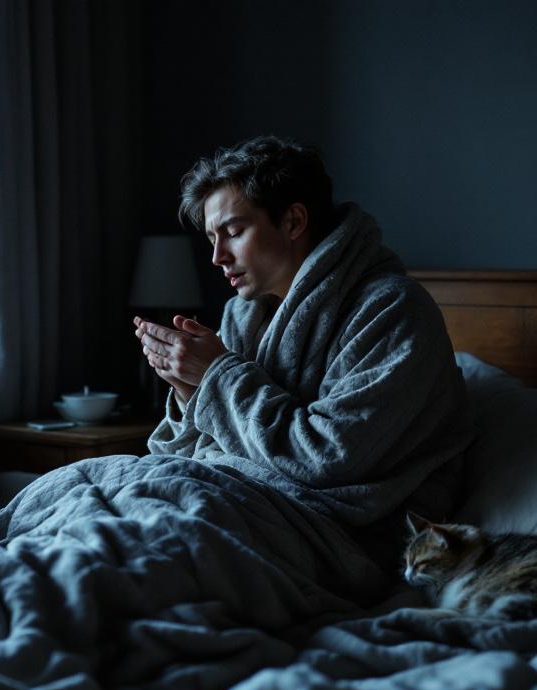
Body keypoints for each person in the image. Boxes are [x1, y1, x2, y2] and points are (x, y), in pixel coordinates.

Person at [133, 136, 473, 529]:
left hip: (334, 529)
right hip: (229, 495)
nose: (217, 257)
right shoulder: (240, 316)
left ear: (293, 221)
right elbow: (174, 451)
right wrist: (191, 390)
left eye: (234, 231)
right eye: (213, 238)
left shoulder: (392, 310)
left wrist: (218, 375)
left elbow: (330, 456)